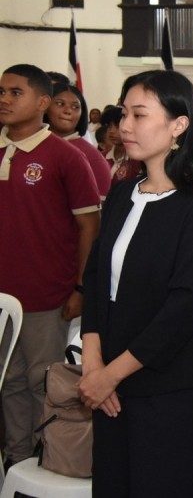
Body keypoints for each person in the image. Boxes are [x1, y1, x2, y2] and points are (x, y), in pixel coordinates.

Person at [78, 69, 193, 497]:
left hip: (167, 379)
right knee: (113, 482)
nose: (125, 125)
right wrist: (93, 365)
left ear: (178, 125)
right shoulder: (123, 194)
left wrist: (111, 374)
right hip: (109, 371)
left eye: (139, 115)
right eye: (123, 113)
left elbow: (184, 307)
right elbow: (96, 277)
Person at [0, 64, 101, 468]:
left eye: (15, 92)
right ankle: (17, 459)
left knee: (42, 381)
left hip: (45, 294)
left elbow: (89, 225)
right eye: (2, 92)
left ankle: (48, 460)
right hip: (3, 295)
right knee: (8, 381)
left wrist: (80, 287)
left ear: (42, 102)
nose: (5, 99)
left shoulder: (65, 157)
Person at [45, 82, 112, 199]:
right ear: (45, 106)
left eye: (75, 107)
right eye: (60, 104)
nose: (68, 111)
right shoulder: (32, 146)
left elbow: (98, 207)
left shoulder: (91, 157)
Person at [102, 106, 142, 185]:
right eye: (109, 126)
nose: (111, 131)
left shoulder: (138, 159)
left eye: (117, 126)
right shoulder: (102, 157)